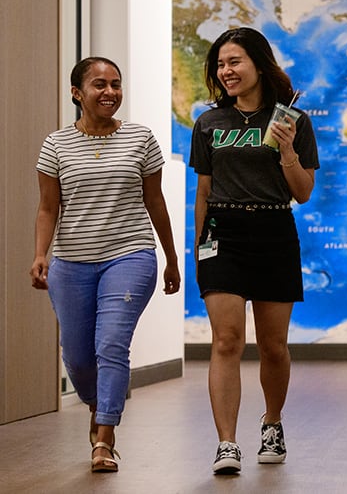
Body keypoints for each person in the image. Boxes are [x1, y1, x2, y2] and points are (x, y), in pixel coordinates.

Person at [30, 56, 181, 473]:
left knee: (111, 344)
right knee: (78, 357)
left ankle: (104, 438)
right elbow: (47, 208)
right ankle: (100, 407)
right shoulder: (56, 144)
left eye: (116, 84)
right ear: (77, 93)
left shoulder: (140, 139)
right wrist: (41, 254)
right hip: (71, 261)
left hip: (130, 255)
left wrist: (170, 258)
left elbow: (155, 202)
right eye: (100, 85)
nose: (110, 92)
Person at [189, 27, 319, 474]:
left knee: (273, 346)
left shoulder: (293, 121)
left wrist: (286, 151)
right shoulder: (208, 124)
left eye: (234, 62)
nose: (226, 71)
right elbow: (203, 192)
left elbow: (303, 193)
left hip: (274, 230)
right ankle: (227, 443)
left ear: (259, 65)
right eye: (220, 65)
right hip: (223, 232)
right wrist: (198, 245)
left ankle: (272, 422)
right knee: (226, 340)